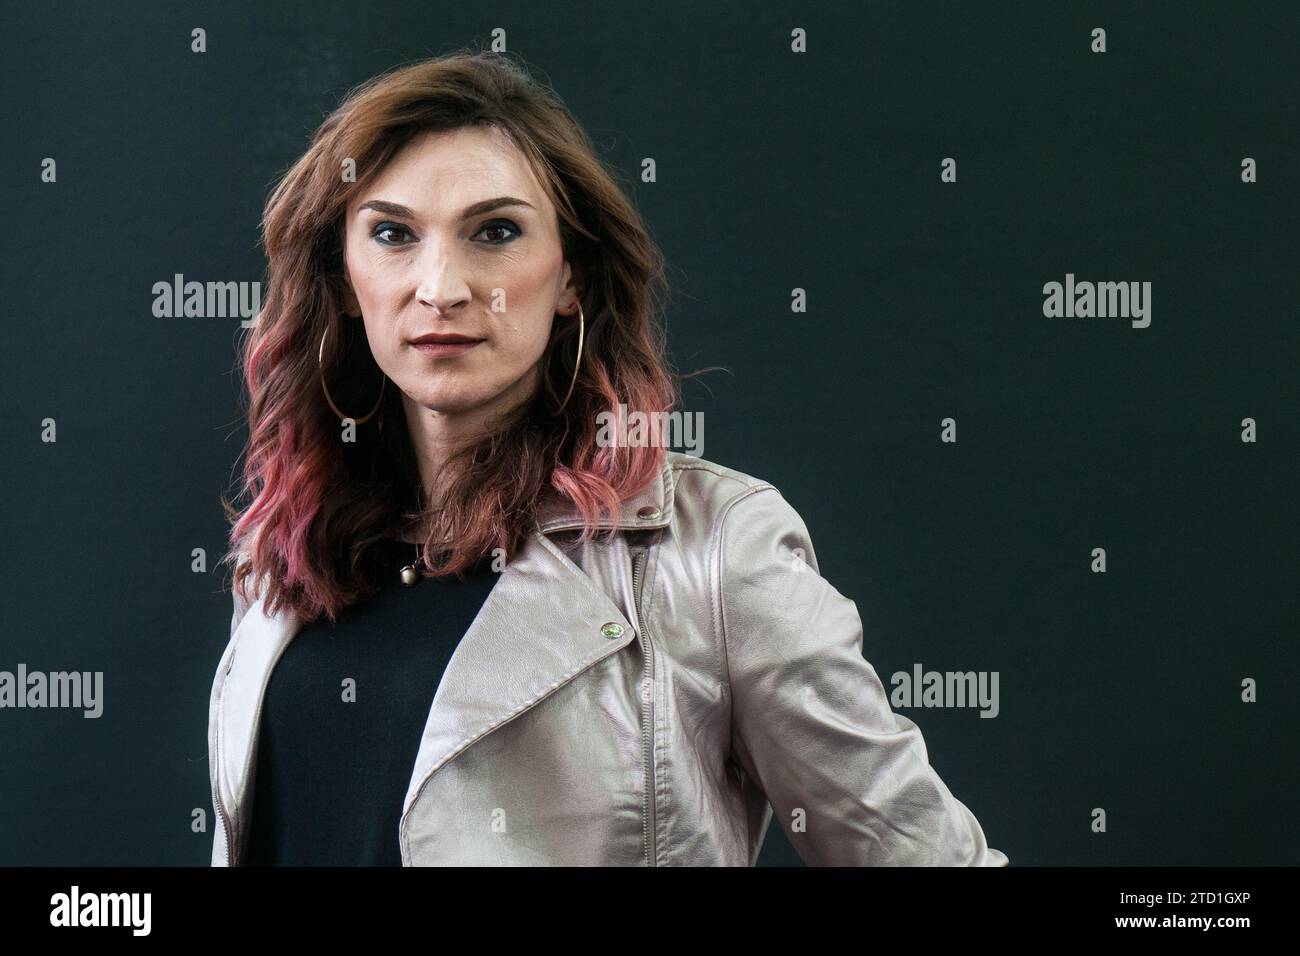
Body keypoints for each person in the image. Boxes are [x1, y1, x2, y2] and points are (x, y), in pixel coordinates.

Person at [209, 49, 1009, 867]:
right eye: (391, 234)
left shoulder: (713, 557)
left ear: (571, 279)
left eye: (496, 232)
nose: (441, 286)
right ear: (344, 278)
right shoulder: (284, 552)